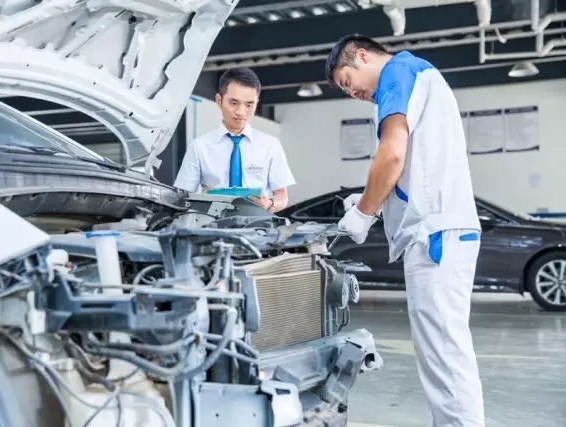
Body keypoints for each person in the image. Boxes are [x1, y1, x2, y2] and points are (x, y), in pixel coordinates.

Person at [325, 35, 485, 427]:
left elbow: (392, 154)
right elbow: (413, 168)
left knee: (444, 356)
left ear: (362, 55)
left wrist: (363, 213)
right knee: (442, 353)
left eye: (348, 81)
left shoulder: (397, 71)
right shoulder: (417, 76)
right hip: (440, 233)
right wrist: (373, 205)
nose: (353, 93)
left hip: (435, 238)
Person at [174, 68, 295, 213]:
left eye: (249, 105)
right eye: (233, 103)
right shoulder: (199, 146)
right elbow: (182, 196)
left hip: (258, 228)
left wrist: (269, 204)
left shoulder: (270, 145)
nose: (241, 112)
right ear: (219, 101)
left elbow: (282, 197)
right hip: (211, 227)